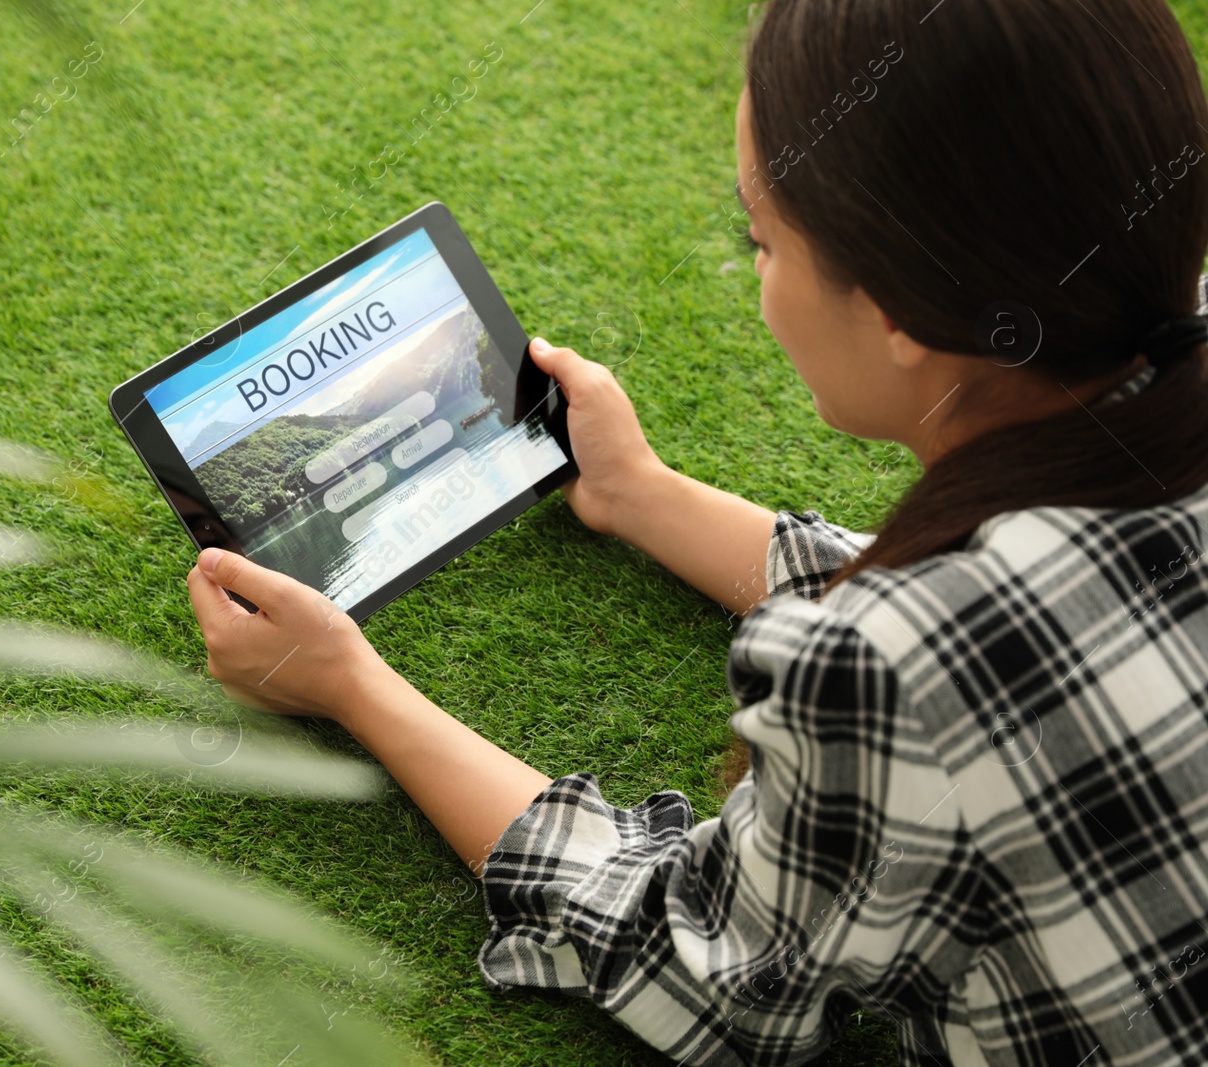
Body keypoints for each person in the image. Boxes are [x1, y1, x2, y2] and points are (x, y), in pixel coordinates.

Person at [184, 0, 1208, 1060]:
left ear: (900, 313)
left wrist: (351, 681)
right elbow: (1036, 597)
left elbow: (704, 971)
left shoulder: (888, 671)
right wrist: (640, 493)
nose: (756, 278)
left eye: (757, 239)